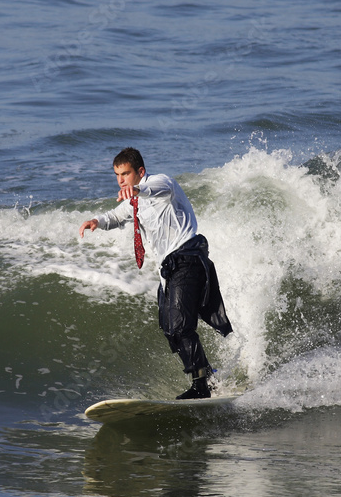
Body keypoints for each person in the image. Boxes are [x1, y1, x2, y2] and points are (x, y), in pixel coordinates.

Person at [79, 148, 233, 399]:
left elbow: (155, 188)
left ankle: (200, 386)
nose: (121, 180)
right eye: (117, 175)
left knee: (182, 326)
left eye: (126, 174)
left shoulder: (162, 184)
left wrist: (138, 189)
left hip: (187, 257)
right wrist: (96, 221)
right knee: (171, 329)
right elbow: (116, 216)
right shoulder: (133, 202)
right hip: (169, 269)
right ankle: (208, 377)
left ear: (140, 171)